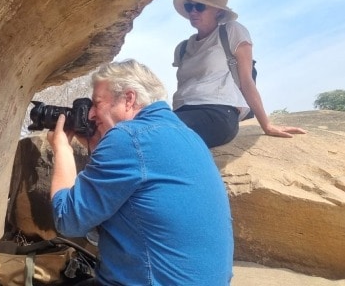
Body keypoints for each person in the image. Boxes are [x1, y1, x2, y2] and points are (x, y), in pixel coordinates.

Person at [48, 59, 234, 286]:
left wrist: (62, 149)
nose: (91, 115)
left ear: (128, 99)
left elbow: (67, 218)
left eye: (97, 104)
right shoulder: (189, 136)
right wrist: (99, 149)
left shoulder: (128, 137)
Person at [172, 0, 306, 148]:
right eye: (189, 6)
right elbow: (183, 87)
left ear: (218, 11)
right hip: (181, 112)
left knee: (155, 131)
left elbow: (246, 81)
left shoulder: (231, 31)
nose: (193, 11)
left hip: (218, 112)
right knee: (141, 127)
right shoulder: (183, 48)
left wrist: (266, 125)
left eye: (199, 6)